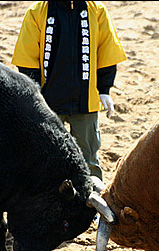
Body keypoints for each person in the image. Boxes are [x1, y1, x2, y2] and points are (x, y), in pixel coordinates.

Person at [11, 1, 127, 180]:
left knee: (88, 157)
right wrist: (34, 94)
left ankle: (90, 199)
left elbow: (106, 50)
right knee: (46, 155)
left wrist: (104, 89)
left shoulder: (96, 11)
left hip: (85, 101)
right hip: (47, 103)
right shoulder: (37, 12)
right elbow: (27, 58)